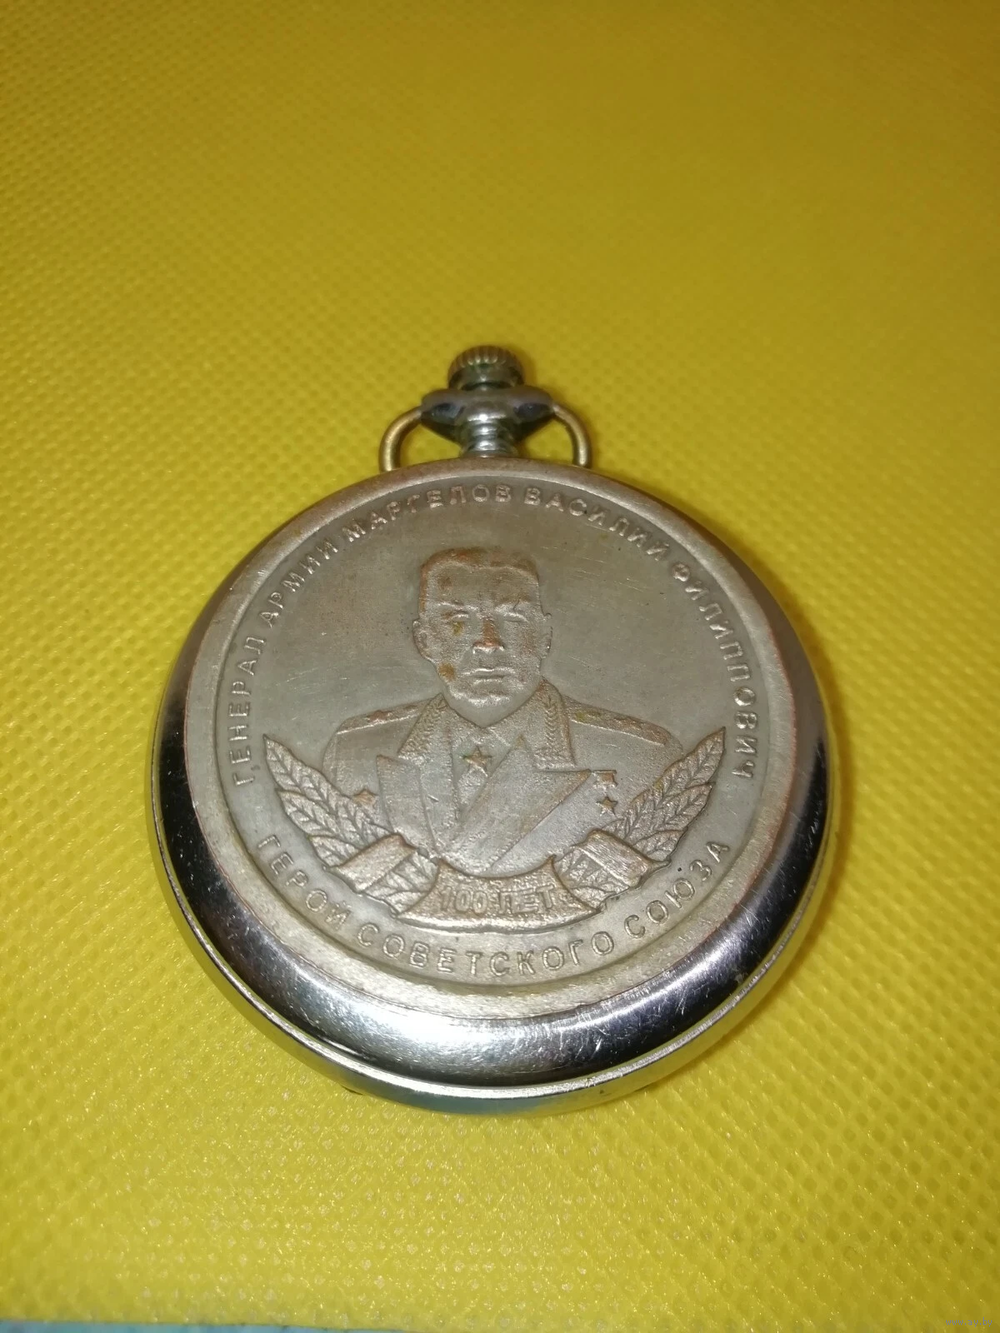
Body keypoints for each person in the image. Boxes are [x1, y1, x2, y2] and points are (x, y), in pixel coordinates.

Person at [323, 547, 681, 880]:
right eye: (457, 618)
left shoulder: (643, 755)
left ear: (544, 635)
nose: (488, 641)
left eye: (513, 617)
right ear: (424, 640)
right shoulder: (354, 750)